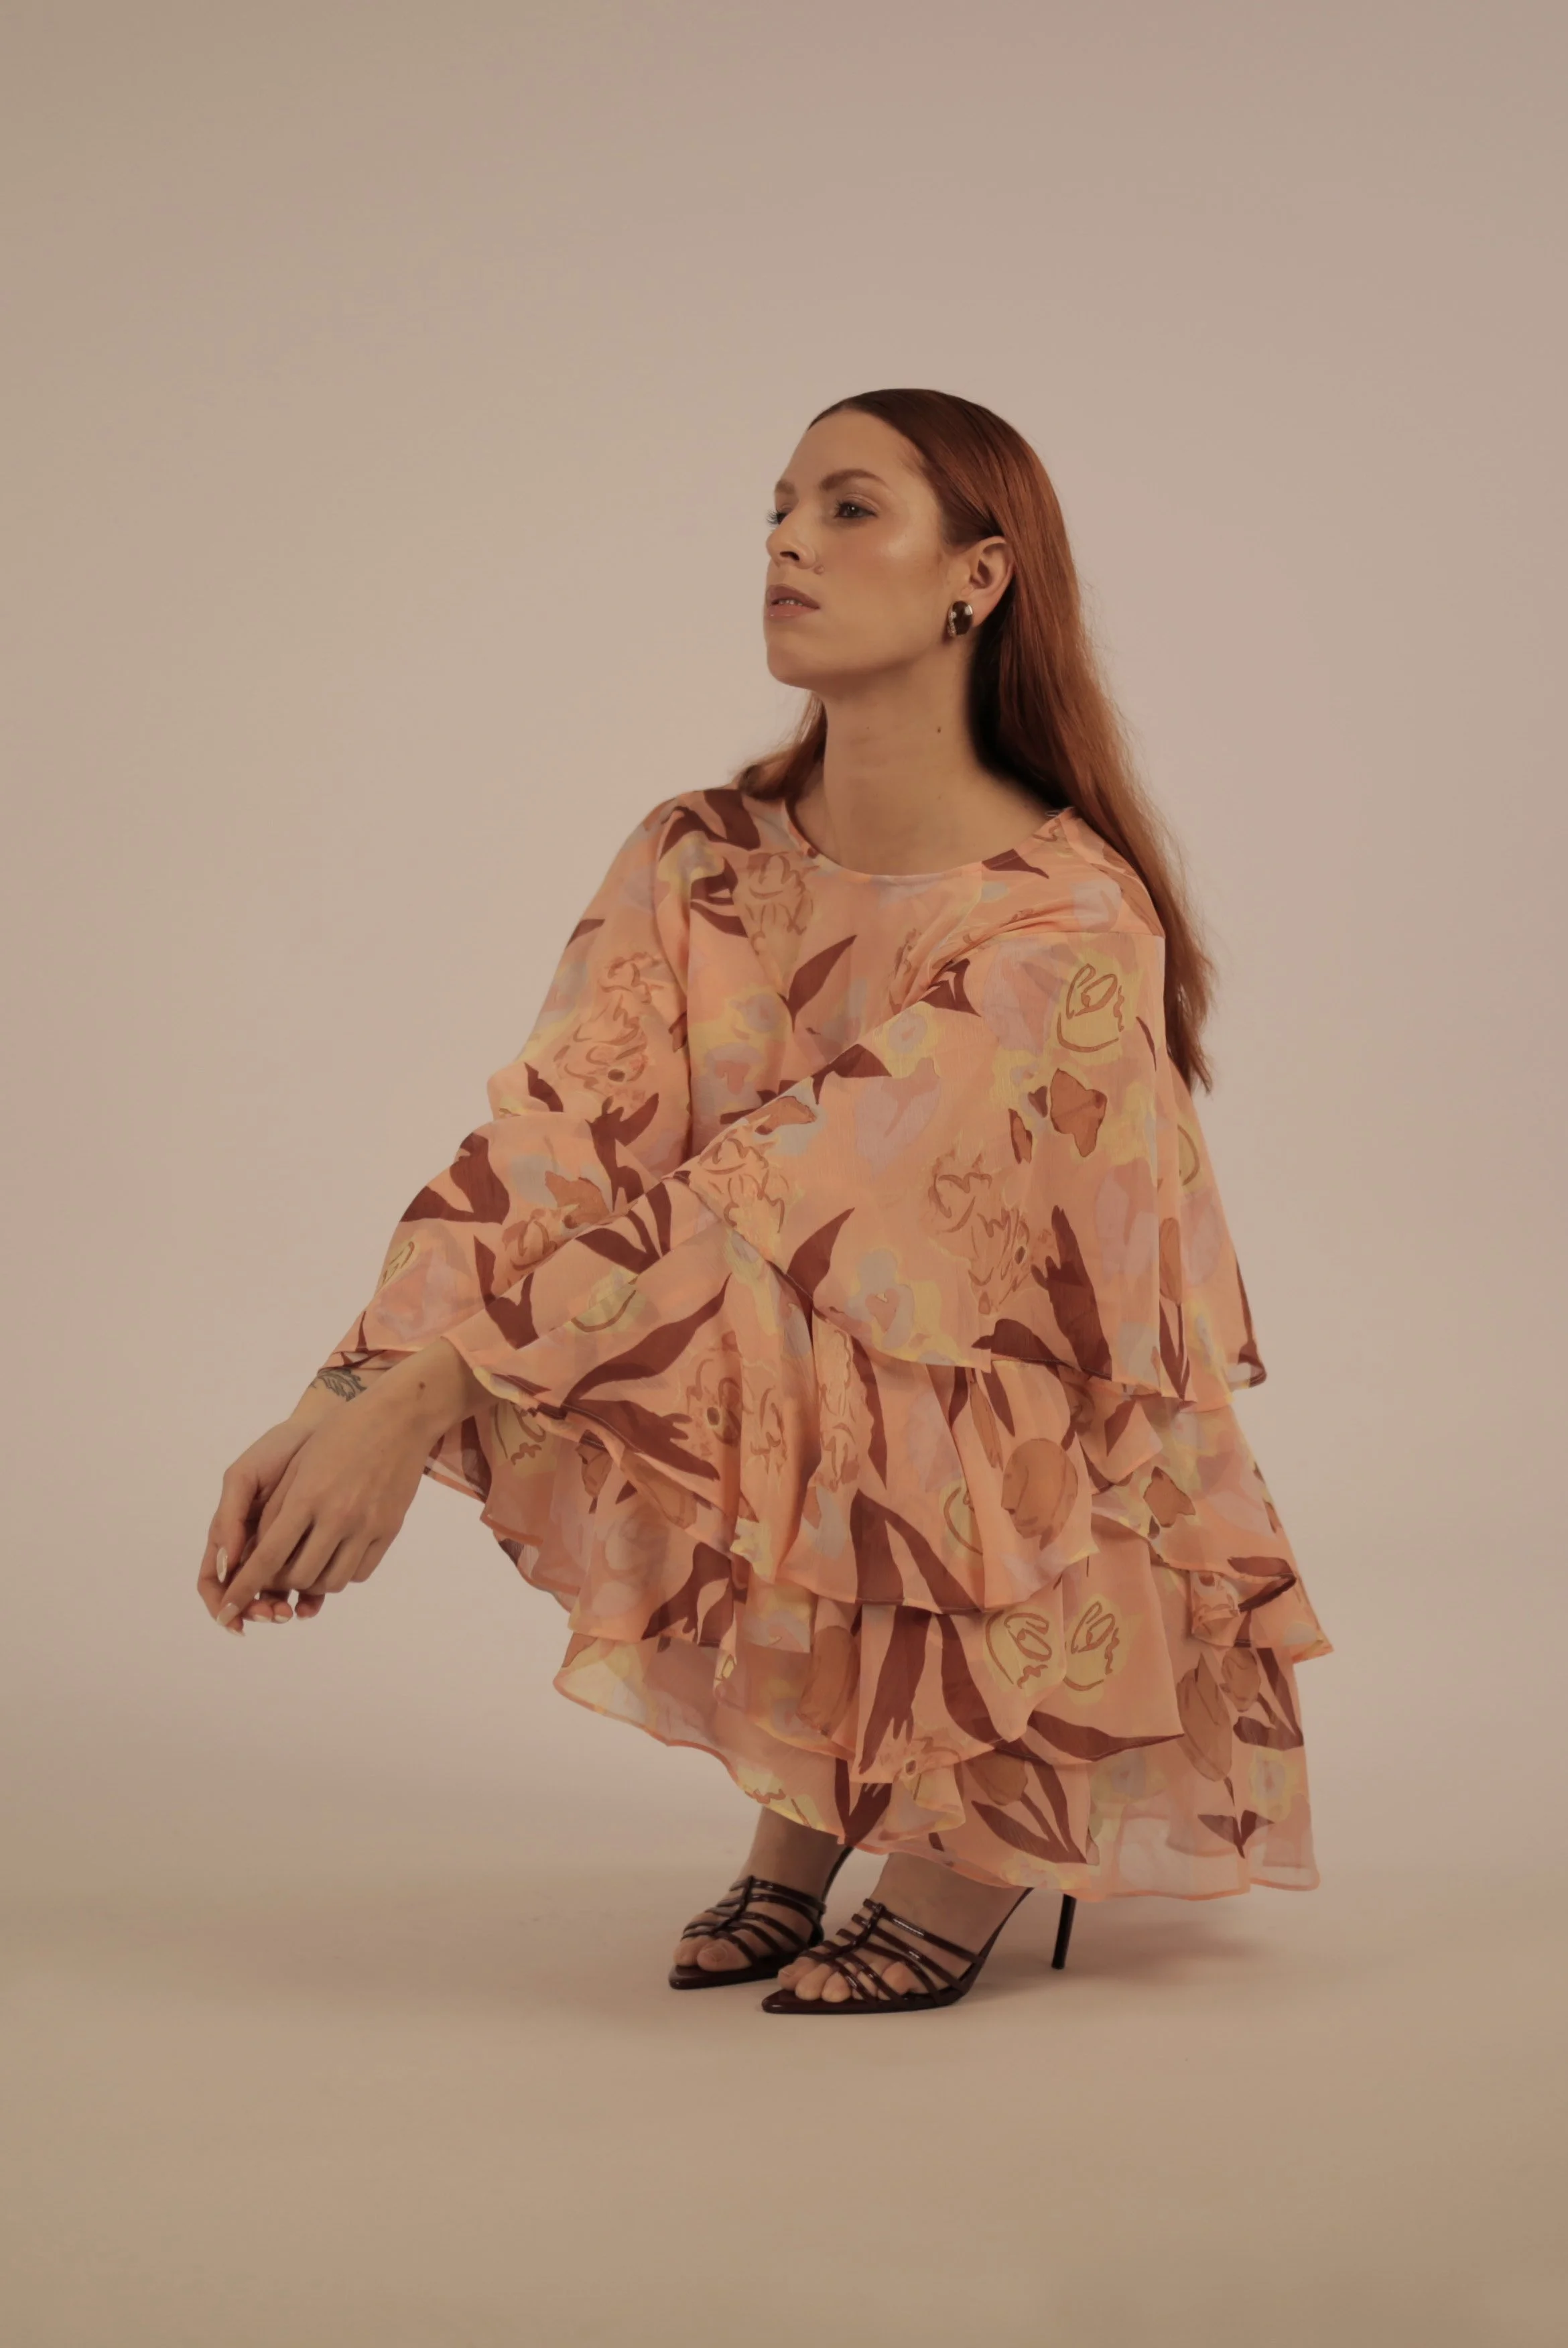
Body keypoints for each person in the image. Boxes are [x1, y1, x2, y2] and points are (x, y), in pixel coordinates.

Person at [198, 387, 1333, 2015]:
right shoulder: (700, 860)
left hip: (1007, 1415)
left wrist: (429, 1396)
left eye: (850, 508)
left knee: (865, 1297)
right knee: (684, 1297)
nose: (787, 542)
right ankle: (822, 1786)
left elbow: (771, 1200)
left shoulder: (1068, 929)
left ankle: (985, 1818)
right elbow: (556, 1142)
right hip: (765, 1297)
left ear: (979, 577)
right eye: (779, 509)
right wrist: (344, 1395)